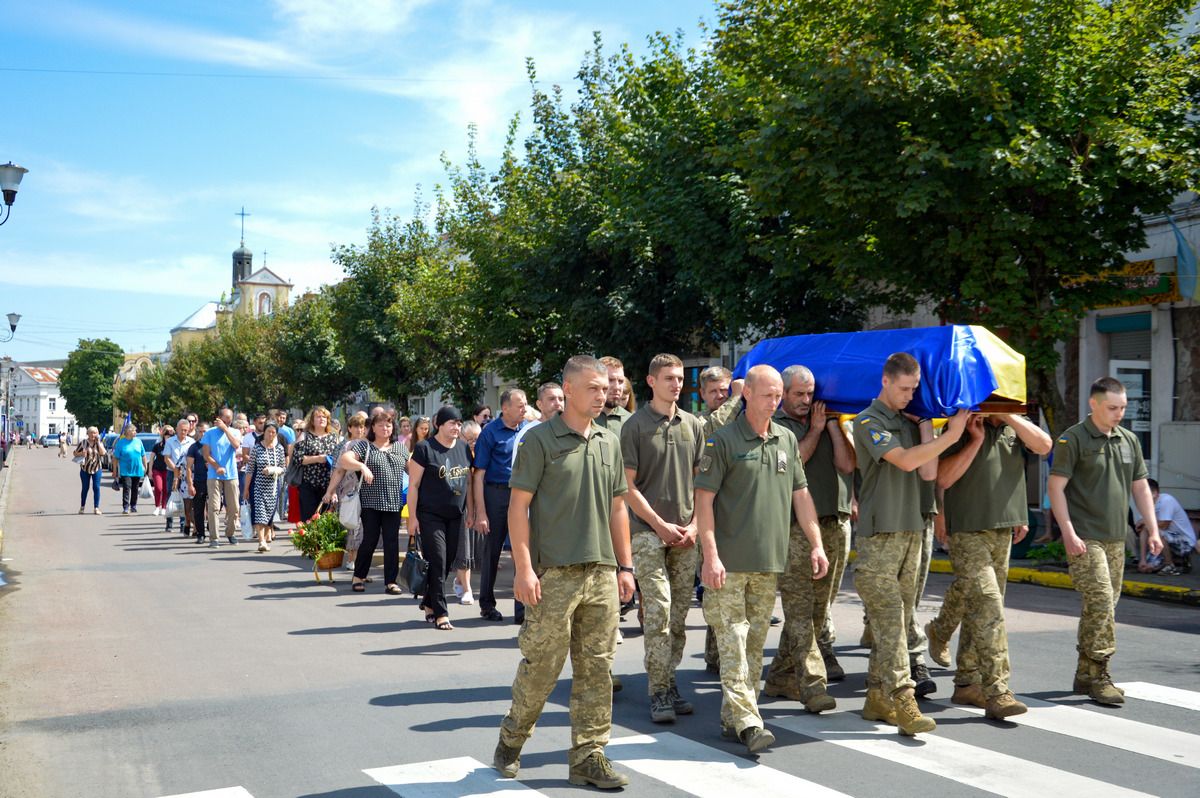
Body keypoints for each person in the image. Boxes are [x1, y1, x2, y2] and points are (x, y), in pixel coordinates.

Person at [492, 355, 635, 789]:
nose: (603, 394)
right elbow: (518, 508)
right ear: (568, 390)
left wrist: (625, 566)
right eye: (593, 388)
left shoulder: (609, 441)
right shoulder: (540, 441)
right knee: (543, 666)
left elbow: (617, 509)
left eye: (605, 388)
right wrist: (523, 568)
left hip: (601, 572)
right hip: (553, 574)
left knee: (597, 668)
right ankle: (512, 740)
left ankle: (589, 756)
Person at [695, 364, 828, 753]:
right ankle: (751, 722)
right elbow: (703, 502)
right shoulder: (722, 442)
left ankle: (732, 718)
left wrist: (816, 543)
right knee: (733, 642)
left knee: (753, 646)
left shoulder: (786, 439)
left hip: (769, 562)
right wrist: (710, 556)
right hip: (729, 564)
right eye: (767, 395)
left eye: (777, 396)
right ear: (747, 394)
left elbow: (800, 495)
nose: (774, 402)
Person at [852, 352, 968, 736]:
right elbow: (902, 461)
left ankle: (876, 697)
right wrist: (951, 434)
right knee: (890, 622)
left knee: (899, 619)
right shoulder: (867, 422)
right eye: (904, 388)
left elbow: (929, 472)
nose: (909, 395)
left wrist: (927, 428)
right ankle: (904, 700)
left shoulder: (909, 421)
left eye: (914, 389)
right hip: (879, 537)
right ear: (885, 382)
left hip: (911, 533)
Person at [927, 412, 1052, 719]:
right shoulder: (961, 424)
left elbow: (1044, 446)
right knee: (989, 606)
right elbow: (942, 478)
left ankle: (967, 681)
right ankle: (997, 690)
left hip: (1003, 529)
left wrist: (1019, 511)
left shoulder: (1014, 425)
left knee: (977, 607)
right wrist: (976, 440)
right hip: (967, 529)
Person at [1047, 376, 1161, 706]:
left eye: (1123, 407)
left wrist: (1152, 530)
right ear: (1093, 404)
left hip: (1115, 538)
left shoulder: (1129, 440)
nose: (1119, 414)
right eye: (1113, 408)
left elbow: (1140, 486)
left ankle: (1084, 673)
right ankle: (1100, 673)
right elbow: (1056, 488)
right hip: (1085, 536)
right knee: (1099, 599)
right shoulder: (1073, 440)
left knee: (1103, 608)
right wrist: (1067, 531)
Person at [620, 354, 706, 724]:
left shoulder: (693, 425)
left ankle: (669, 680)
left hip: (687, 533)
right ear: (651, 381)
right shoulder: (635, 426)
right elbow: (627, 485)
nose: (677, 384)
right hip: (647, 533)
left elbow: (704, 482)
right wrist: (657, 525)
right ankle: (658, 692)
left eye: (681, 379)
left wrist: (697, 525)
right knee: (657, 613)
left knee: (680, 617)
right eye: (669, 378)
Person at [764, 365, 854, 710]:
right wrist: (815, 430)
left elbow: (847, 465)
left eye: (810, 393)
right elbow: (796, 463)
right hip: (793, 528)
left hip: (833, 522)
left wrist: (832, 425)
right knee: (800, 608)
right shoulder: (778, 428)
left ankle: (780, 676)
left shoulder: (828, 423)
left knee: (819, 608)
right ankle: (812, 684)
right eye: (798, 394)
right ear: (783, 394)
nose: (805, 400)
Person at [697, 365, 746, 673]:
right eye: (714, 391)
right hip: (710, 518)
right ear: (702, 394)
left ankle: (719, 653)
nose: (720, 396)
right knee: (716, 589)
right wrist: (737, 397)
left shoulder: (739, 421)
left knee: (733, 588)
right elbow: (715, 425)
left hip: (737, 515)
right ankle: (717, 654)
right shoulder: (704, 421)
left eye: (725, 390)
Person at [408, 406, 473, 630]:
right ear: (439, 425)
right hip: (430, 515)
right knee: (437, 559)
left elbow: (469, 483)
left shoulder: (464, 448)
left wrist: (472, 511)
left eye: (459, 423)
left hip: (456, 515)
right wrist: (412, 517)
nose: (457, 427)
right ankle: (441, 612)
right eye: (452, 423)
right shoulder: (424, 448)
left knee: (449, 560)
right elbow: (414, 486)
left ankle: (428, 601)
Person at [472, 388, 529, 622]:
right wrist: (481, 512)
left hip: (522, 494)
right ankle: (487, 604)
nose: (523, 408)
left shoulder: (528, 430)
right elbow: (478, 474)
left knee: (521, 550)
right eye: (519, 404)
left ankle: (522, 609)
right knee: (492, 552)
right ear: (505, 408)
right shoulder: (490, 432)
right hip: (496, 494)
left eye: (526, 404)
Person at [340, 408, 409, 595]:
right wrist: (361, 465)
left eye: (388, 425)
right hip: (371, 502)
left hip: (394, 502)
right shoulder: (365, 446)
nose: (385, 428)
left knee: (391, 542)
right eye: (381, 425)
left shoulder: (400, 448)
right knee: (369, 539)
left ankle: (391, 582)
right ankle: (358, 576)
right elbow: (345, 460)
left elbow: (413, 469)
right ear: (373, 428)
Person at [324, 412, 369, 570]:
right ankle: (351, 558)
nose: (360, 430)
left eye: (362, 426)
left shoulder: (368, 445)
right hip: (348, 490)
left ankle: (358, 559)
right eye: (356, 426)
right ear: (349, 428)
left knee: (362, 526)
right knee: (352, 524)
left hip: (366, 490)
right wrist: (332, 491)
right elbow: (337, 470)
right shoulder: (345, 446)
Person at [1133, 478, 1196, 574]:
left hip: (1185, 543)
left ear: (1155, 493)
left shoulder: (1166, 500)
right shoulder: (1144, 505)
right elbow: (1142, 530)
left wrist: (1145, 522)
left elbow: (1164, 524)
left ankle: (1169, 565)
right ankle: (1180, 562)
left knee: (1156, 531)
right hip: (1164, 543)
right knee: (1146, 568)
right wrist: (1143, 560)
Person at [201, 408, 243, 548]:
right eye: (225, 418)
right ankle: (214, 537)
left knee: (234, 507)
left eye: (230, 418)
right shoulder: (210, 433)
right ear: (218, 418)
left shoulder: (235, 432)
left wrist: (226, 429)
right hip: (214, 475)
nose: (228, 420)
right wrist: (216, 466)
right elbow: (206, 454)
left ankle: (230, 533)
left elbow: (236, 445)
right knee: (214, 507)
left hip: (231, 474)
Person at [243, 421, 286, 552]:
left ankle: (267, 536)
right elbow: (250, 469)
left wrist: (274, 470)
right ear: (264, 432)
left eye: (273, 432)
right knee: (259, 514)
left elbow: (283, 468)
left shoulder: (279, 448)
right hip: (258, 486)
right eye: (269, 432)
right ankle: (261, 540)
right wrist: (246, 488)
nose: (271, 435)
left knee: (269, 514)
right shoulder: (257, 448)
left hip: (272, 488)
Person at [293, 406, 340, 522]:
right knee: (309, 519)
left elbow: (339, 459)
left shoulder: (334, 437)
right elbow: (297, 458)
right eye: (318, 417)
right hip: (309, 484)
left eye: (324, 417)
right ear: (312, 420)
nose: (322, 419)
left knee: (326, 519)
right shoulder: (305, 436)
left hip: (329, 484)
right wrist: (318, 458)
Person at [165, 420, 194, 536]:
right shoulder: (170, 442)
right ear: (177, 429)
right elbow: (167, 458)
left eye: (186, 430)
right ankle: (169, 522)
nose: (183, 432)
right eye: (181, 430)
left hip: (188, 474)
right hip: (173, 472)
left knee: (186, 500)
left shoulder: (191, 442)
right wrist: (176, 469)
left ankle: (184, 524)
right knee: (172, 496)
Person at [112, 424, 148, 515]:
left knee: (135, 488)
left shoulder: (138, 442)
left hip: (137, 469)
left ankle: (133, 506)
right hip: (126, 470)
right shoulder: (121, 443)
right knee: (127, 488)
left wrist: (145, 466)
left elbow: (143, 455)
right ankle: (126, 507)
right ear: (128, 432)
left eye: (135, 431)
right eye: (133, 431)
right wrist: (115, 471)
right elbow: (115, 458)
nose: (135, 432)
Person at [186, 421, 210, 544]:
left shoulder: (213, 446)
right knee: (198, 509)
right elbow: (189, 467)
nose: (203, 434)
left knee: (216, 506)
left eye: (205, 431)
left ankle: (211, 526)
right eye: (200, 431)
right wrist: (190, 484)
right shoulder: (194, 447)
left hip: (213, 481)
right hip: (199, 481)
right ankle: (200, 534)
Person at [74, 427, 106, 515]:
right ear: (87, 434)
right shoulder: (83, 443)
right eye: (91, 433)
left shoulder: (99, 443)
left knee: (96, 487)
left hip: (96, 468)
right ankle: (82, 507)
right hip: (85, 468)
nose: (93, 435)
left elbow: (103, 453)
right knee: (85, 488)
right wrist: (81, 453)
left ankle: (96, 508)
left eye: (95, 433)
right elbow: (75, 453)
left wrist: (98, 443)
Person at [597, 356, 632, 432]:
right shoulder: (581, 418)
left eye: (620, 381)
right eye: (610, 380)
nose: (617, 387)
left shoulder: (632, 422)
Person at [149, 427, 173, 520]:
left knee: (166, 489)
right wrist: (150, 470)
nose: (168, 438)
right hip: (157, 469)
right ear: (164, 436)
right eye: (167, 436)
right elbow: (151, 458)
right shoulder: (158, 445)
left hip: (168, 470)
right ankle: (157, 507)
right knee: (159, 488)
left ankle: (164, 507)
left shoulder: (172, 445)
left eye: (170, 436)